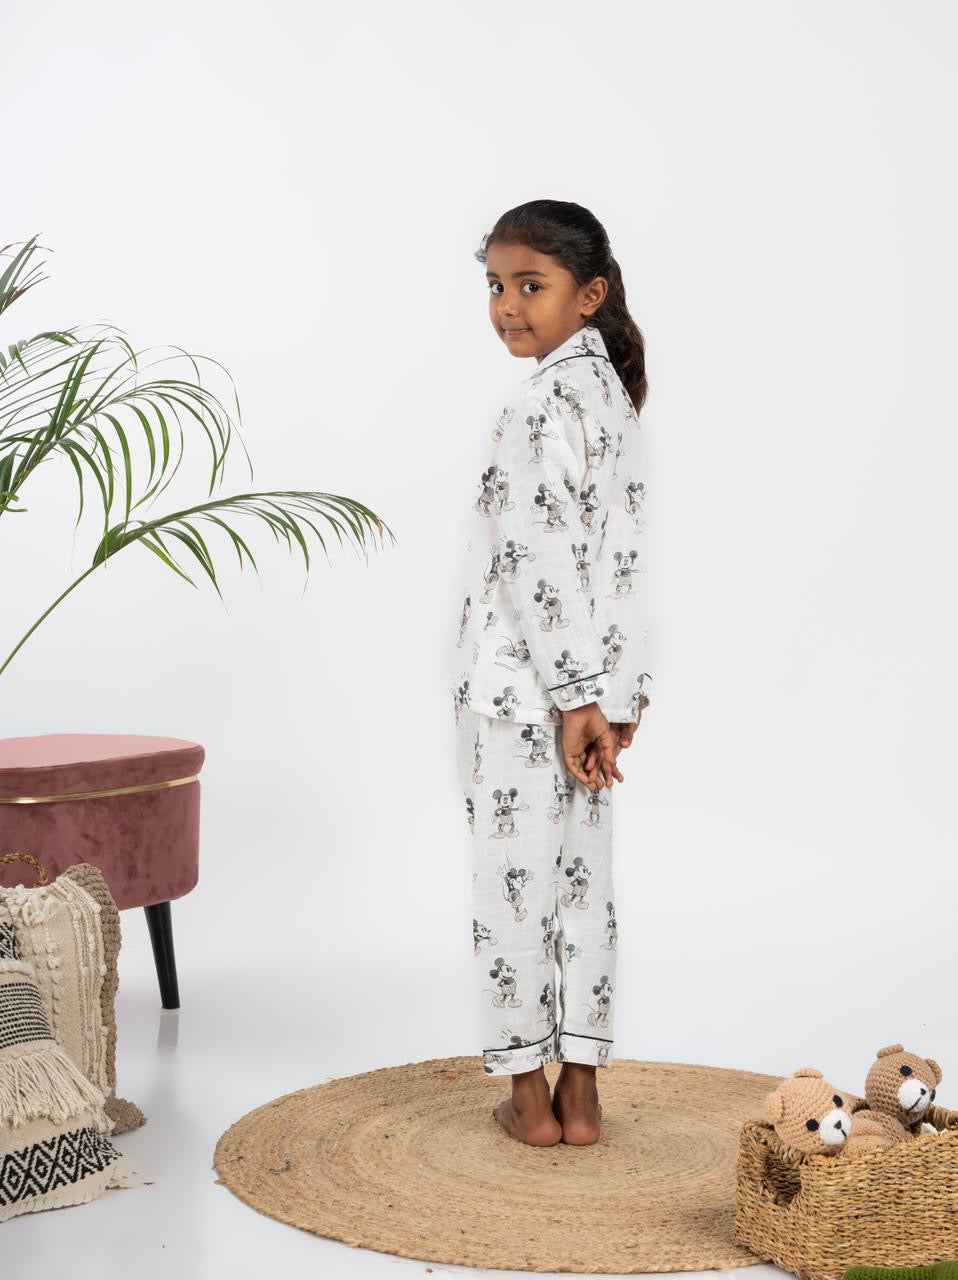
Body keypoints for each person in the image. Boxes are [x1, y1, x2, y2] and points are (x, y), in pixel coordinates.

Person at [449, 198, 652, 1147]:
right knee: (582, 889)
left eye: (531, 285)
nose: (507, 306)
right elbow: (628, 568)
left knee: (513, 888)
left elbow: (538, 562)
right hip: (588, 700)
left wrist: (576, 700)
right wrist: (619, 697)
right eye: (496, 285)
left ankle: (529, 1098)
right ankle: (583, 1093)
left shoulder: (536, 405)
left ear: (589, 295)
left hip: (519, 696)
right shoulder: (614, 401)